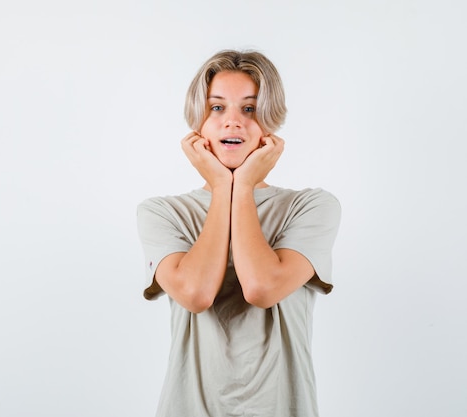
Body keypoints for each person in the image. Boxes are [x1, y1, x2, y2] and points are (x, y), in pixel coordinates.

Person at [136, 49, 341, 417]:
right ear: (197, 123)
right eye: (217, 108)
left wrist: (241, 186)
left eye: (249, 109)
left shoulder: (311, 207)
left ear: (270, 123)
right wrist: (220, 186)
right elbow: (196, 294)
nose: (233, 122)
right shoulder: (162, 212)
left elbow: (262, 288)